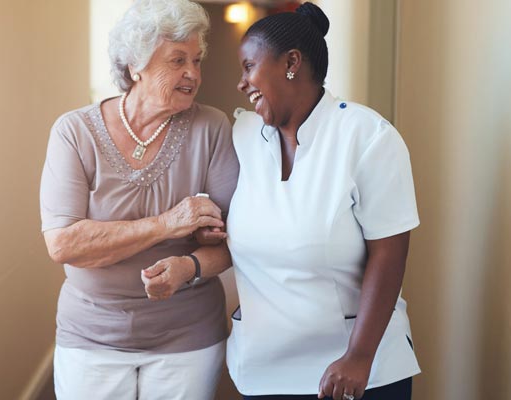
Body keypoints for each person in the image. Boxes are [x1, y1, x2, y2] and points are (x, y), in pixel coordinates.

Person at [39, 0, 238, 399]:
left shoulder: (212, 128)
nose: (192, 74)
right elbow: (63, 243)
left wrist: (190, 264)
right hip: (91, 336)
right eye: (177, 60)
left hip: (188, 335)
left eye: (196, 60)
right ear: (135, 66)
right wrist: (169, 224)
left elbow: (233, 238)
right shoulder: (75, 133)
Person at [225, 3, 420, 400]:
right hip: (262, 372)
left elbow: (389, 253)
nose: (241, 84)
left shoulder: (367, 137)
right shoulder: (243, 137)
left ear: (291, 63)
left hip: (354, 373)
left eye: (248, 67)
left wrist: (359, 357)